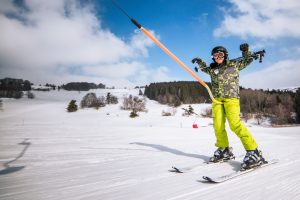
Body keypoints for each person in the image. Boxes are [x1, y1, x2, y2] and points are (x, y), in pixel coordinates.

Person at [192, 44, 266, 170]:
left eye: (220, 55)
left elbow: (248, 60)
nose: (218, 57)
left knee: (235, 124)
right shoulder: (212, 69)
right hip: (217, 100)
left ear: (225, 55)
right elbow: (204, 68)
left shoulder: (234, 64)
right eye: (215, 55)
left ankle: (253, 151)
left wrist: (245, 51)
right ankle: (224, 149)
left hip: (231, 99)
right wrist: (200, 62)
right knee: (218, 125)